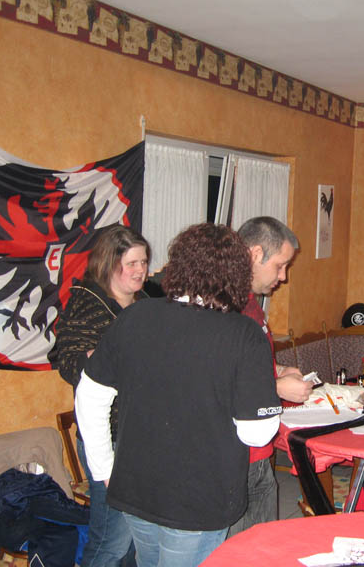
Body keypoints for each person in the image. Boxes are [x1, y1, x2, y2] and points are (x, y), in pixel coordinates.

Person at [75, 223, 281, 567]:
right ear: (236, 274)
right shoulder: (244, 334)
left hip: (134, 489)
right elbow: (256, 432)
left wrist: (104, 468)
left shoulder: (136, 316)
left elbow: (89, 394)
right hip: (198, 500)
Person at [49, 223, 151, 567]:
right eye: (132, 263)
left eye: (144, 262)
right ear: (109, 264)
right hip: (107, 436)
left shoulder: (146, 302)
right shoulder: (86, 305)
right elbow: (69, 364)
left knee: (138, 535)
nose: (141, 270)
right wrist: (101, 357)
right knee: (111, 539)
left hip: (141, 433)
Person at [227, 216, 314, 536]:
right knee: (240, 549)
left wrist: (276, 370)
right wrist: (276, 386)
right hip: (236, 454)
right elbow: (216, 378)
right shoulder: (224, 306)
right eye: (280, 265)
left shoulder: (250, 302)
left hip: (260, 451)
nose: (283, 276)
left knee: (262, 544)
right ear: (254, 254)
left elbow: (242, 364)